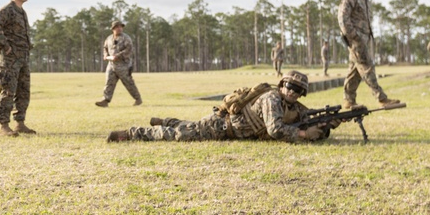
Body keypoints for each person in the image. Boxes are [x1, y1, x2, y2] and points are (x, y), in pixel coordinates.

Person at [107, 71, 337, 143]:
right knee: (178, 135)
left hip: (230, 131)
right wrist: (305, 134)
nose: (292, 92)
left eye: (297, 90)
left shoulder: (291, 104)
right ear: (281, 85)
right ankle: (130, 133)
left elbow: (305, 116)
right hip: (221, 126)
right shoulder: (272, 99)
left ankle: (166, 120)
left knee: (189, 127)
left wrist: (329, 122)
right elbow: (275, 130)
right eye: (289, 86)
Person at [337, 0, 399, 109]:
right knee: (367, 67)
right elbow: (342, 17)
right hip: (356, 40)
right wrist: (353, 36)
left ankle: (349, 100)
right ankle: (381, 98)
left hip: (362, 39)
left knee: (355, 72)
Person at [0, 0, 35, 137]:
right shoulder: (8, 10)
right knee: (8, 91)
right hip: (9, 60)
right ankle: (3, 126)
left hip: (22, 59)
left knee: (23, 91)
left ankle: (20, 124)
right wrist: (5, 46)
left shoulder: (21, 11)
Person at [95, 20, 142, 107]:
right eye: (117, 27)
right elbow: (105, 48)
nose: (119, 28)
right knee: (109, 82)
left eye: (121, 27)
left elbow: (129, 49)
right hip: (111, 65)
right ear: (113, 29)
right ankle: (105, 100)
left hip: (124, 65)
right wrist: (105, 55)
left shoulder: (126, 38)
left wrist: (118, 55)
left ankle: (138, 99)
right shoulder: (109, 39)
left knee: (128, 83)